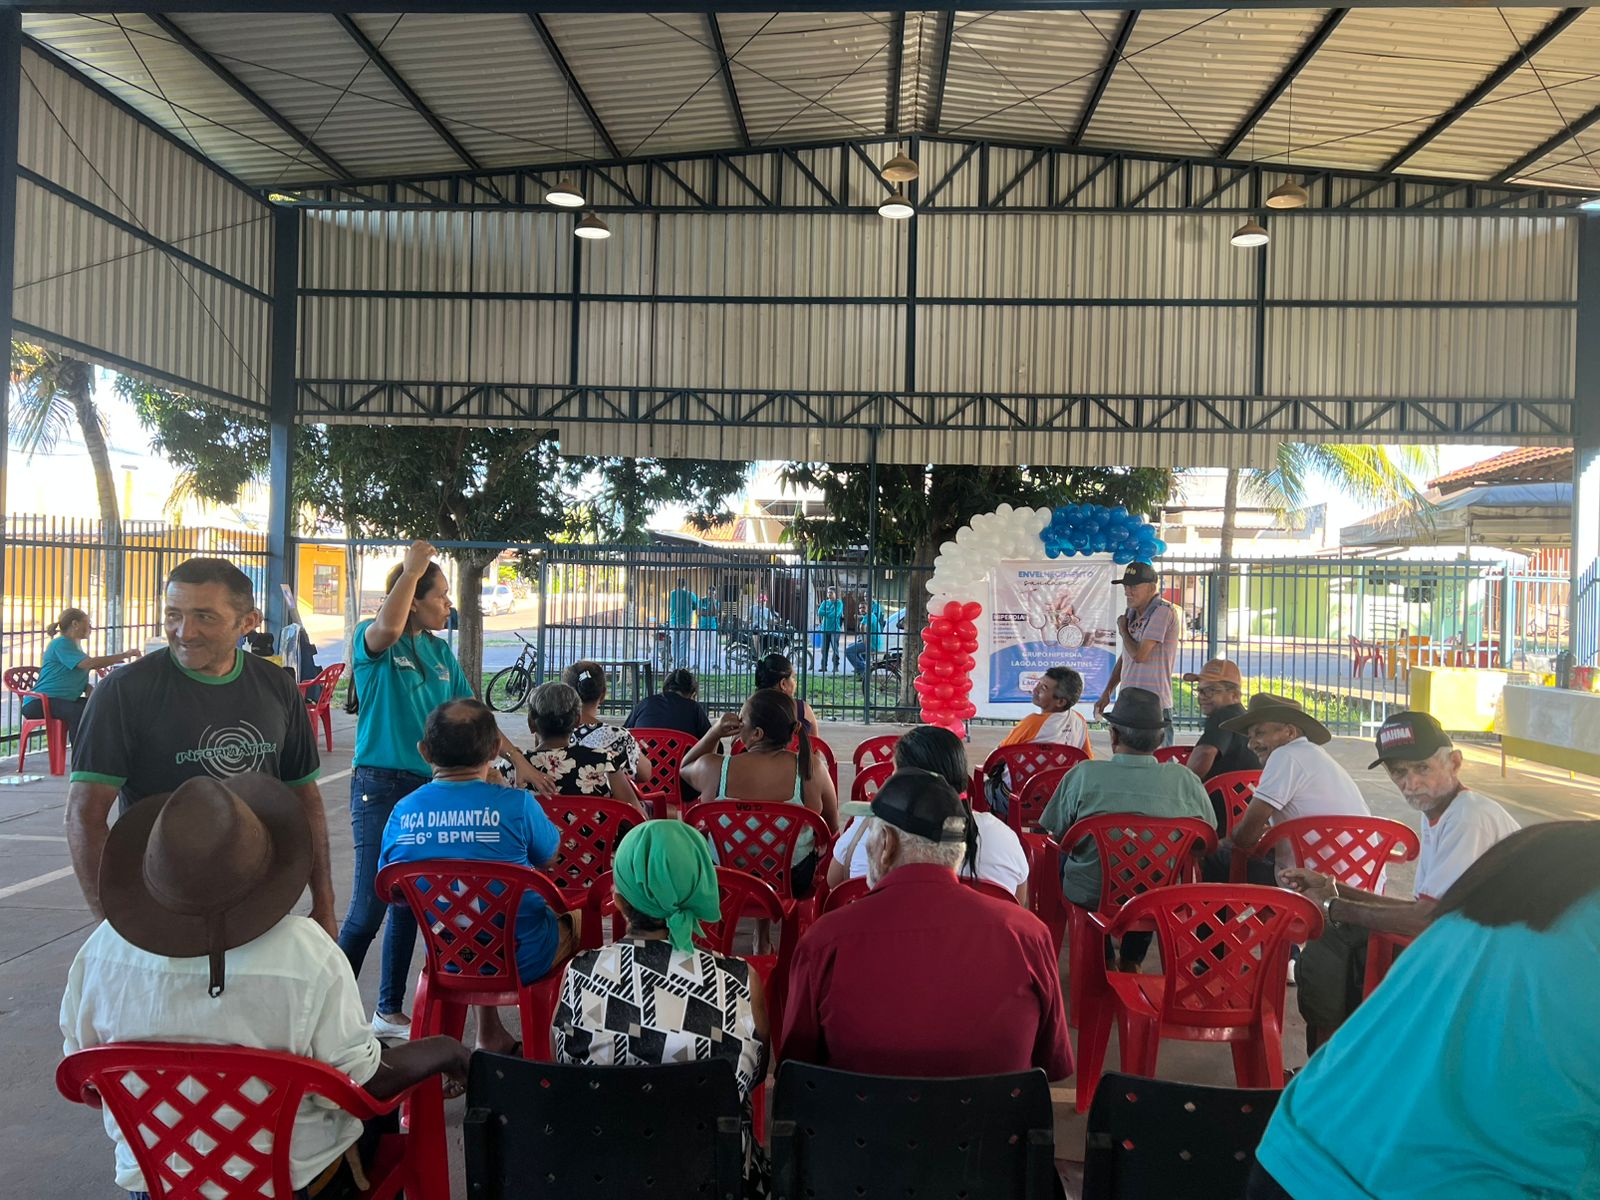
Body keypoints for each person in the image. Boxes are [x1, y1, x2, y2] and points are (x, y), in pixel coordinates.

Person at [62, 773, 470, 1200]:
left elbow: (87, 1082)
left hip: (155, 1186)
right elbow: (361, 1085)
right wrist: (446, 1049)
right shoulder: (306, 951)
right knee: (379, 1117)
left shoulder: (99, 953)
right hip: (294, 1187)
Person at [1249, 821, 1600, 1200]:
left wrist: (1338, 900)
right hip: (1429, 1181)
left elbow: (1432, 915)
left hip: (1298, 1145)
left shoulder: (1556, 849)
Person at [66, 557, 336, 939]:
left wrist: (324, 902)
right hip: (164, 906)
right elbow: (84, 815)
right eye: (173, 615)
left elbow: (305, 799)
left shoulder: (276, 686)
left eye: (204, 617)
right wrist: (114, 928)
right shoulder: (124, 692)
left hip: (263, 901)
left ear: (247, 622)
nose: (184, 632)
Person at [338, 541, 537, 1042]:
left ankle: (388, 1009)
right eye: (441, 595)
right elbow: (387, 628)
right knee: (368, 908)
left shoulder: (439, 651)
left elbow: (475, 714)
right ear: (412, 600)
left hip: (428, 785)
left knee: (410, 900)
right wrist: (411, 570)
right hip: (379, 784)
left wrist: (514, 759)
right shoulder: (374, 639)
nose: (449, 604)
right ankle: (327, 1012)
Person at [780, 772, 1072, 1081]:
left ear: (887, 844)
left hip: (861, 1113)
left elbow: (796, 1069)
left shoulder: (825, 940)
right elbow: (1052, 1065)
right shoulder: (1027, 934)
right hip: (996, 1114)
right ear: (958, 849)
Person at [1278, 710, 1520, 1052]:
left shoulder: (1469, 818)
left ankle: (1336, 1058)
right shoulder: (1440, 813)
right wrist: (1333, 886)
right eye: (1399, 772)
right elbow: (1425, 908)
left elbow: (1427, 920)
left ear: (1454, 763)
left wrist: (1334, 907)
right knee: (1337, 939)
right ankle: (1337, 1057)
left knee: (1337, 940)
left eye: (1422, 768)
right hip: (1471, 948)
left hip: (1498, 964)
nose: (1411, 783)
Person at [556, 820, 771, 1196]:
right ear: (702, 890)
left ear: (618, 902)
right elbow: (754, 1075)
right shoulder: (740, 980)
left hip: (606, 1178)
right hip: (716, 1180)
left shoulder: (579, 973)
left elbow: (566, 1070)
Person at [380, 699, 578, 1061]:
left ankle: (490, 1034)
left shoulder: (402, 812)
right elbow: (550, 856)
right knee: (576, 918)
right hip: (524, 957)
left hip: (449, 957)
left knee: (470, 922)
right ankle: (557, 1046)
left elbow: (394, 891)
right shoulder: (518, 805)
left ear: (424, 752)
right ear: (493, 750)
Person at [1038, 687, 1215, 972]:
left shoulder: (1084, 774)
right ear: (1160, 739)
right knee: (1151, 876)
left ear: (1113, 736)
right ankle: (1132, 960)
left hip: (1093, 892)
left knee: (1067, 858)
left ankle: (1102, 955)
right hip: (1159, 892)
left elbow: (1057, 833)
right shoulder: (1185, 780)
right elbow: (1205, 840)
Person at [826, 724, 1031, 904]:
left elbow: (834, 883)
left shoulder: (867, 828)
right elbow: (1018, 902)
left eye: (895, 772)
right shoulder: (1002, 837)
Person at [680, 688, 839, 895]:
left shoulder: (714, 768)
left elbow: (685, 767)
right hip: (792, 880)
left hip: (724, 877)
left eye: (741, 720)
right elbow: (832, 828)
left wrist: (715, 732)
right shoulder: (812, 769)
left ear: (757, 734)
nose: (738, 723)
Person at [1207, 692, 1372, 885]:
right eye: (1249, 737)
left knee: (1215, 857)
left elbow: (1245, 837)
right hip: (1361, 880)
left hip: (1311, 882)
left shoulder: (1284, 756)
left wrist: (1226, 840)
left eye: (1260, 733)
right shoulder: (1316, 755)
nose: (1251, 745)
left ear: (1290, 733)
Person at [502, 682, 642, 807]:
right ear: (577, 721)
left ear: (531, 723)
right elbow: (637, 815)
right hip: (592, 830)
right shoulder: (603, 762)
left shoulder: (511, 767)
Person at [1094, 562, 1181, 748]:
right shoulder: (1131, 613)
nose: (1127, 592)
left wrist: (1123, 630)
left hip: (1154, 704)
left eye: (1133, 587)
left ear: (1151, 587)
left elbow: (1140, 656)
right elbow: (1127, 657)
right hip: (1128, 701)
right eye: (1125, 586)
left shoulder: (1162, 611)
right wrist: (1107, 692)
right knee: (1124, 755)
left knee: (1159, 759)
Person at [986, 666, 1093, 817]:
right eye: (1039, 683)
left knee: (986, 786)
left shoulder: (1032, 723)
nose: (1035, 689)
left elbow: (994, 760)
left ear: (1060, 701)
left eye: (1043, 687)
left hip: (1015, 799)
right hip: (1057, 801)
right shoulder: (1079, 722)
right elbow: (1087, 762)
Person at [24, 607, 138, 745]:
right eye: (87, 623)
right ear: (75, 624)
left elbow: (70, 675)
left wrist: (87, 688)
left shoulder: (74, 646)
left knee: (101, 706)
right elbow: (88, 664)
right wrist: (125, 655)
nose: (90, 627)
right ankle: (80, 755)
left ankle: (105, 749)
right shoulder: (61, 643)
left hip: (62, 700)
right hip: (40, 702)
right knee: (78, 712)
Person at [1181, 658, 1261, 822]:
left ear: (1234, 695)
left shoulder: (1223, 716)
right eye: (1200, 690)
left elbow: (1204, 754)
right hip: (1241, 810)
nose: (1202, 697)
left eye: (1211, 690)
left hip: (1217, 814)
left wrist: (1180, 789)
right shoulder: (1242, 717)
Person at [562, 660, 652, 786]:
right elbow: (645, 774)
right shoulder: (618, 737)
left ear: (565, 693)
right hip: (606, 799)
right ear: (603, 694)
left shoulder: (550, 733)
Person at [623, 668, 713, 739]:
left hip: (644, 756)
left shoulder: (645, 703)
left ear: (665, 688)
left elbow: (623, 735)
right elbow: (714, 744)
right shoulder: (694, 708)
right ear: (692, 693)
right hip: (682, 757)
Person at [753, 651, 820, 734]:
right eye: (793, 678)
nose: (795, 683)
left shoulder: (749, 711)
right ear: (783, 684)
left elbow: (739, 741)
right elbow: (816, 742)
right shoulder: (803, 710)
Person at [843, 593, 885, 680]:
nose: (861, 609)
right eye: (860, 608)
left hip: (872, 644)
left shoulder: (869, 616)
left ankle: (863, 669)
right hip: (873, 643)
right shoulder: (870, 616)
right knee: (850, 646)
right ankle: (862, 668)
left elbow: (862, 627)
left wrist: (864, 640)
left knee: (848, 651)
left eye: (863, 607)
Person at [667, 578, 698, 670]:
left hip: (673, 622)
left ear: (676, 584)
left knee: (674, 643)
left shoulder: (672, 594)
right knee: (682, 644)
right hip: (685, 622)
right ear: (685, 584)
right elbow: (695, 606)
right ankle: (681, 664)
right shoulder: (690, 594)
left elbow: (670, 606)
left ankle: (674, 663)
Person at [816, 586, 845, 673]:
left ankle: (835, 666)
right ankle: (823, 666)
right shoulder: (824, 602)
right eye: (828, 592)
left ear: (835, 594)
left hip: (835, 629)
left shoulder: (839, 603)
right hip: (824, 629)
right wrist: (829, 613)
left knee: (835, 649)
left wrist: (826, 613)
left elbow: (835, 614)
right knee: (824, 649)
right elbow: (819, 612)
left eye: (831, 593)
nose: (829, 594)